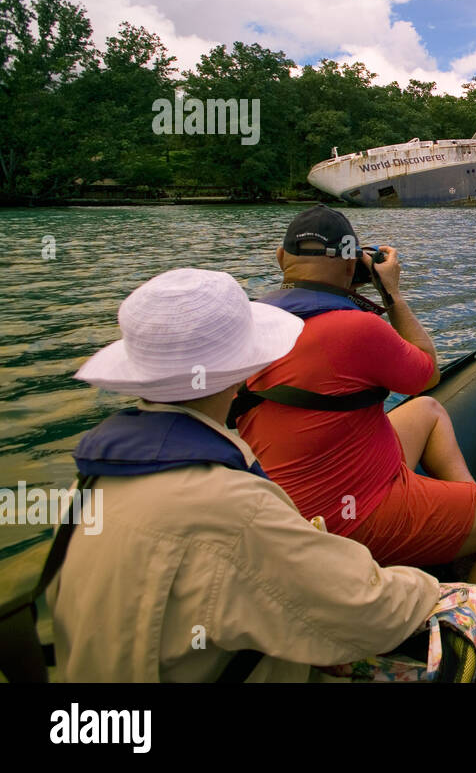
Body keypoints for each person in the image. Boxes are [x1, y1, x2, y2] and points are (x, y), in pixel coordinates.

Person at [51, 268, 445, 681]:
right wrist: (437, 592)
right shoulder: (233, 505)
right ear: (243, 370)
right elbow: (371, 610)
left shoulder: (91, 482)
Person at [235, 205, 476, 596]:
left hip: (287, 508)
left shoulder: (248, 323)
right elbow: (427, 371)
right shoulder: (357, 328)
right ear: (351, 268)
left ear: (281, 258)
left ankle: (471, 511)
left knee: (428, 411)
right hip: (354, 513)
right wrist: (390, 292)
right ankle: (467, 632)